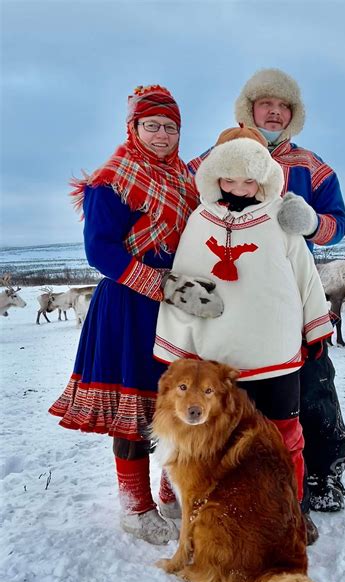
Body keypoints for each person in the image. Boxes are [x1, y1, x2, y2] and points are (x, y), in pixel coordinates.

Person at [49, 85, 223, 546]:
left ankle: (170, 492)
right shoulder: (112, 179)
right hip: (130, 303)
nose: (162, 135)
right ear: (134, 128)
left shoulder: (186, 181)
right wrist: (156, 284)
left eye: (170, 127)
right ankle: (134, 505)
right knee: (136, 406)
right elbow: (99, 250)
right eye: (152, 126)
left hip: (178, 304)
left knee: (178, 402)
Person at [154, 125, 334, 544]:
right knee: (209, 437)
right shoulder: (199, 221)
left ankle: (290, 510)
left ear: (264, 178)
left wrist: (315, 329)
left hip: (274, 350)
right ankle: (207, 507)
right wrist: (177, 348)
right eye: (229, 178)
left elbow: (306, 277)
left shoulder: (281, 219)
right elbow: (184, 287)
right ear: (215, 177)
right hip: (215, 359)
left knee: (283, 437)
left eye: (249, 178)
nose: (238, 187)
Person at [187, 69, 345, 512]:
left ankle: (323, 475)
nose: (274, 112)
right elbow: (186, 199)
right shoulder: (216, 157)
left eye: (284, 107)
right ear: (249, 109)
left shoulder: (311, 166)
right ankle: (238, 486)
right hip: (229, 303)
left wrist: (314, 224)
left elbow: (338, 223)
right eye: (266, 105)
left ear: (293, 115)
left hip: (290, 300)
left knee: (313, 389)